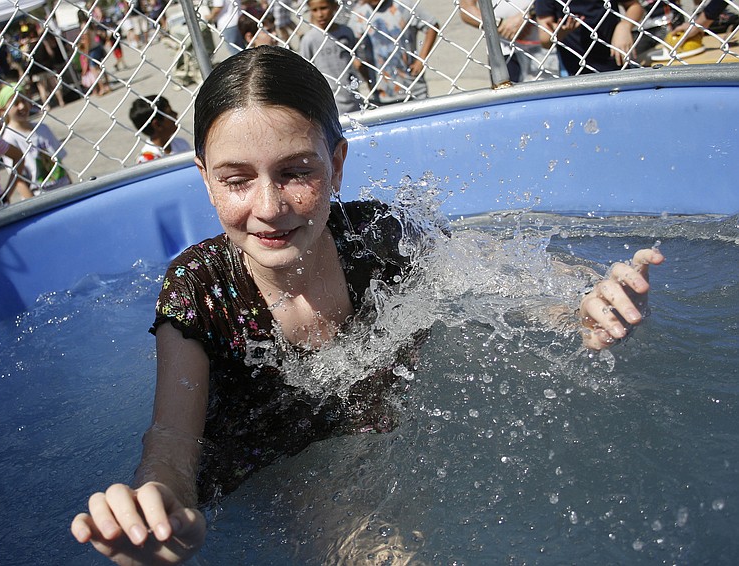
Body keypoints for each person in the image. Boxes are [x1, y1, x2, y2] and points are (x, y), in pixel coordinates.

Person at [71, 45, 663, 564]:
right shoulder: (199, 290)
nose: (270, 206)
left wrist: (580, 301)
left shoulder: (377, 236)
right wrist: (163, 508)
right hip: (279, 470)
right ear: (204, 179)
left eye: (295, 172)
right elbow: (173, 440)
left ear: (336, 165)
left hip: (382, 435)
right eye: (237, 180)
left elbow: (500, 276)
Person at [348, 0, 439, 105]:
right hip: (381, 93)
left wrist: (422, 59)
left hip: (414, 88)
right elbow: (352, 50)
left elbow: (432, 26)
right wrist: (367, 76)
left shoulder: (404, 7)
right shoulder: (359, 16)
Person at [0, 83, 72, 194]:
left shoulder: (42, 128)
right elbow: (18, 180)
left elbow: (59, 162)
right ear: (3, 111)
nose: (22, 106)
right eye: (15, 103)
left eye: (24, 100)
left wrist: (70, 184)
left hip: (63, 186)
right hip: (41, 195)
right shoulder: (9, 138)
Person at [299, 0, 372, 114]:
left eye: (323, 8)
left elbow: (356, 61)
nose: (320, 14)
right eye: (314, 10)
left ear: (334, 7)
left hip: (352, 96)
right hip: (328, 100)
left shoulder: (346, 32)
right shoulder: (309, 40)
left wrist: (368, 82)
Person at [535, 0, 645, 75]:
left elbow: (635, 6)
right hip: (574, 70)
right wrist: (562, 33)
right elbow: (545, 40)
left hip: (615, 61)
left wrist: (624, 26)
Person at [460, 0, 560, 81]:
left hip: (549, 46)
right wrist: (500, 25)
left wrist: (530, 13)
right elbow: (466, 10)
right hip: (503, 50)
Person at [128, 95, 192, 164]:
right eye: (170, 113)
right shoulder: (147, 160)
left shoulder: (181, 143)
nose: (176, 114)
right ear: (157, 124)